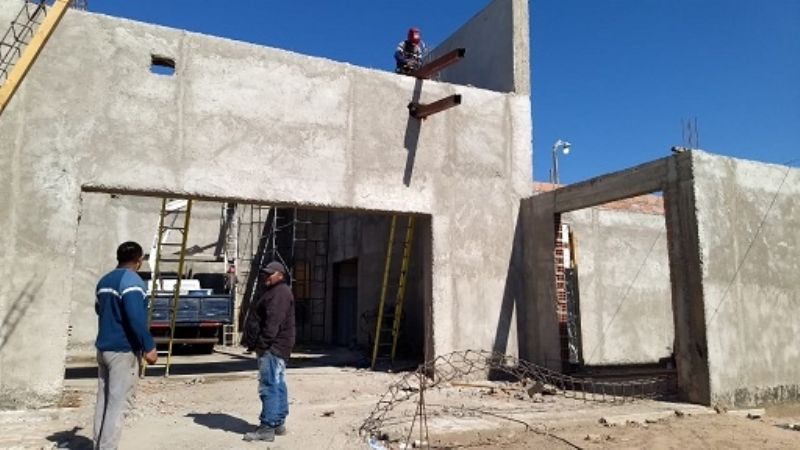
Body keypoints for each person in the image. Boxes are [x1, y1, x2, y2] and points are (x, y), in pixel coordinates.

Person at [93, 241, 157, 449]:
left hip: (103, 349)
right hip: (122, 350)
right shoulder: (132, 282)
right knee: (118, 404)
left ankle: (99, 444)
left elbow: (98, 309)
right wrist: (148, 346)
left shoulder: (104, 281)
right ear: (139, 261)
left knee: (103, 401)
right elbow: (135, 317)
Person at [241, 261, 296, 442]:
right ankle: (277, 422)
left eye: (270, 274)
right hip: (278, 347)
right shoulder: (278, 292)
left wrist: (262, 344)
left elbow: (273, 323)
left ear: (280, 275)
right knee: (278, 383)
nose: (267, 276)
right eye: (265, 273)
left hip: (272, 347)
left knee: (269, 386)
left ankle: (266, 428)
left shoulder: (279, 293)